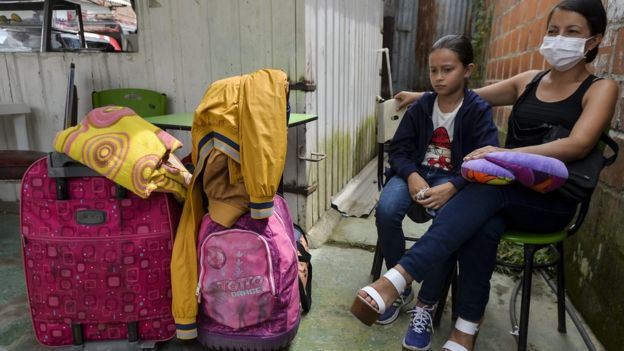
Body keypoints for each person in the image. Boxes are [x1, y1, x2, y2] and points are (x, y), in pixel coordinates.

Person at [351, 1, 618, 351]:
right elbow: (466, 94)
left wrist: (503, 154)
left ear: (594, 40)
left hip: (550, 199)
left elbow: (579, 145)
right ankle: (465, 327)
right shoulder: (528, 81)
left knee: (481, 194)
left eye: (572, 32)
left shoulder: (601, 88)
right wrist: (423, 97)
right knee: (481, 226)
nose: (559, 39)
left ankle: (397, 279)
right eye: (553, 31)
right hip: (506, 190)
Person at [370, 34, 498, 351]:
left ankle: (425, 307)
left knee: (448, 224)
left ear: (467, 70)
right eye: (433, 71)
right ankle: (399, 288)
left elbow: (487, 161)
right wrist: (412, 176)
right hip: (415, 173)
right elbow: (398, 151)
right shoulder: (423, 106)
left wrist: (453, 186)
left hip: (455, 180)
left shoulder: (478, 111)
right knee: (386, 209)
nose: (439, 78)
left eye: (447, 70)